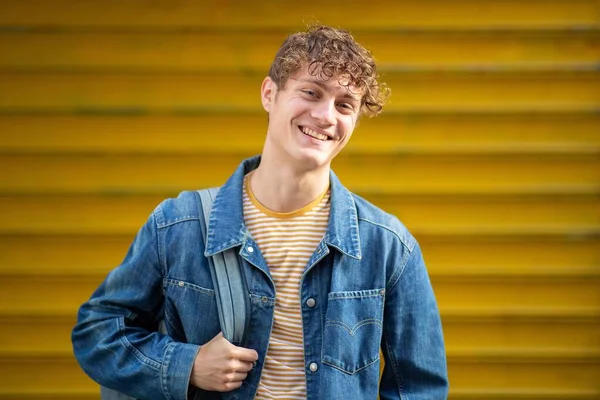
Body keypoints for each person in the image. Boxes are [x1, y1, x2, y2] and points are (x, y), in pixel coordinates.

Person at [72, 25, 448, 399]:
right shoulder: (178, 224)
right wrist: (187, 364)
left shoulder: (389, 245)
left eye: (344, 104)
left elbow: (419, 388)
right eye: (311, 92)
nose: (325, 115)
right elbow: (98, 332)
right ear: (270, 94)